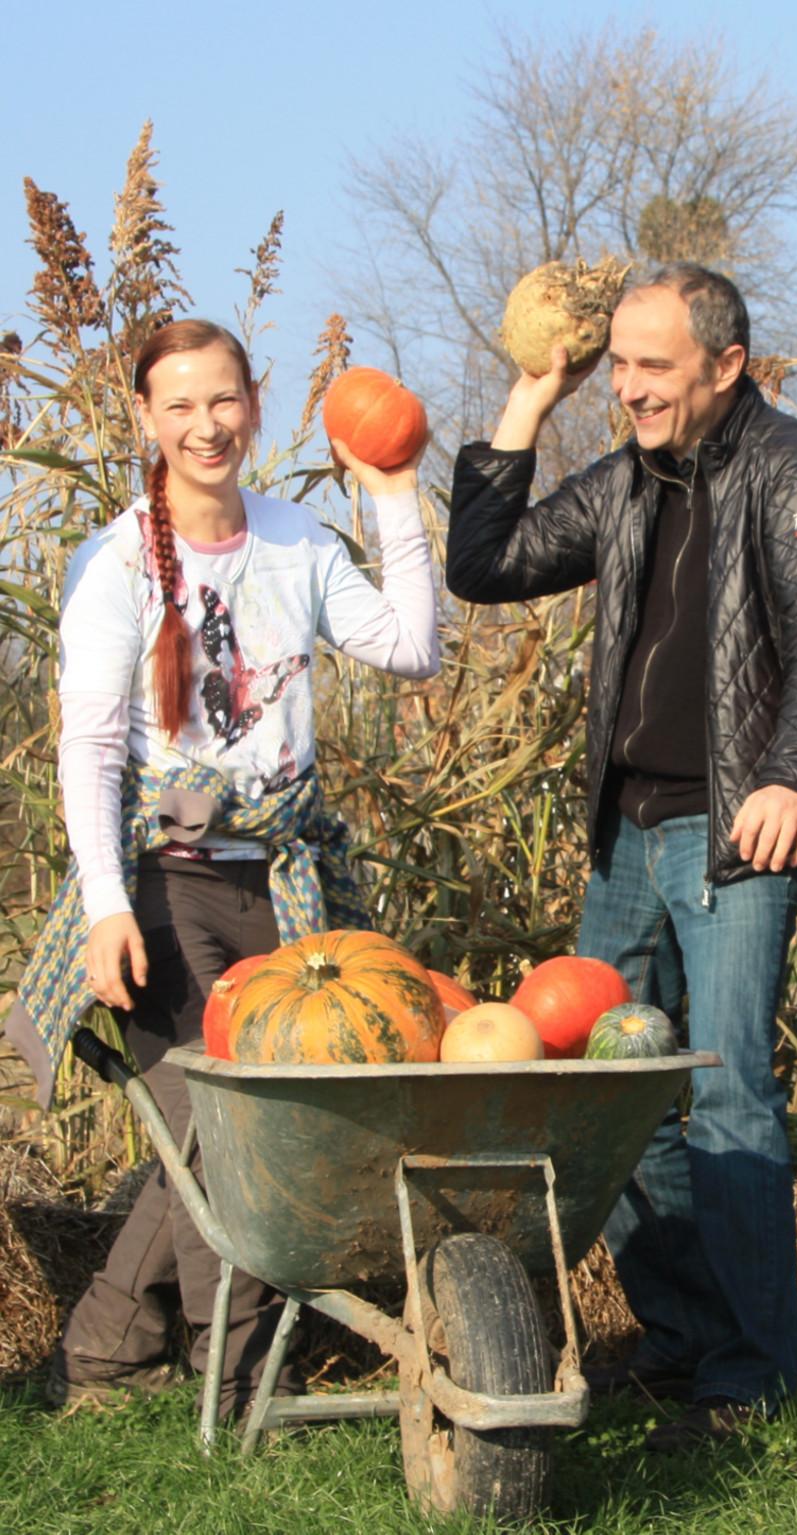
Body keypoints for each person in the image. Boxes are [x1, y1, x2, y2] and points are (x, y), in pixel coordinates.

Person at [446, 262, 797, 1451]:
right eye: (618, 363)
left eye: (651, 366)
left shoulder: (791, 468)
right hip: (626, 830)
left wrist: (793, 775)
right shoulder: (631, 478)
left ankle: (750, 1375)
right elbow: (485, 564)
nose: (627, 387)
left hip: (731, 829)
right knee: (602, 1096)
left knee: (728, 1091)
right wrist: (532, 398)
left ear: (725, 366)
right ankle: (682, 1336)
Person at [4, 318, 438, 1414]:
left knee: (224, 1128)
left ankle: (104, 1346)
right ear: (147, 418)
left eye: (224, 400)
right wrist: (106, 907)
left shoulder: (296, 541)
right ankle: (233, 1377)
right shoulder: (112, 564)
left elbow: (411, 648)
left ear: (254, 401)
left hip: (280, 878)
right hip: (166, 879)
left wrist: (388, 490)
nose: (206, 424)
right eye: (181, 405)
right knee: (216, 1124)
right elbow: (91, 746)